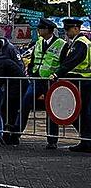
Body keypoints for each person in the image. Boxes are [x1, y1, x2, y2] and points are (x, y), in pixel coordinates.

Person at [16, 18, 66, 149]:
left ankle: (52, 139)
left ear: (47, 30)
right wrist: (32, 73)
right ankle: (16, 132)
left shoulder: (61, 44)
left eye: (40, 28)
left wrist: (57, 76)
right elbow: (33, 59)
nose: (38, 31)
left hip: (51, 81)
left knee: (51, 109)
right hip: (37, 79)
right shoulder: (38, 42)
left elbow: (63, 63)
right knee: (26, 102)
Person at [50, 18, 91, 152]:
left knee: (81, 112)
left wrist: (58, 73)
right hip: (78, 82)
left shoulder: (81, 43)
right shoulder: (75, 43)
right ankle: (85, 140)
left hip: (82, 82)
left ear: (76, 28)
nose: (66, 32)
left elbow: (72, 61)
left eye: (68, 29)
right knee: (78, 113)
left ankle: (87, 140)